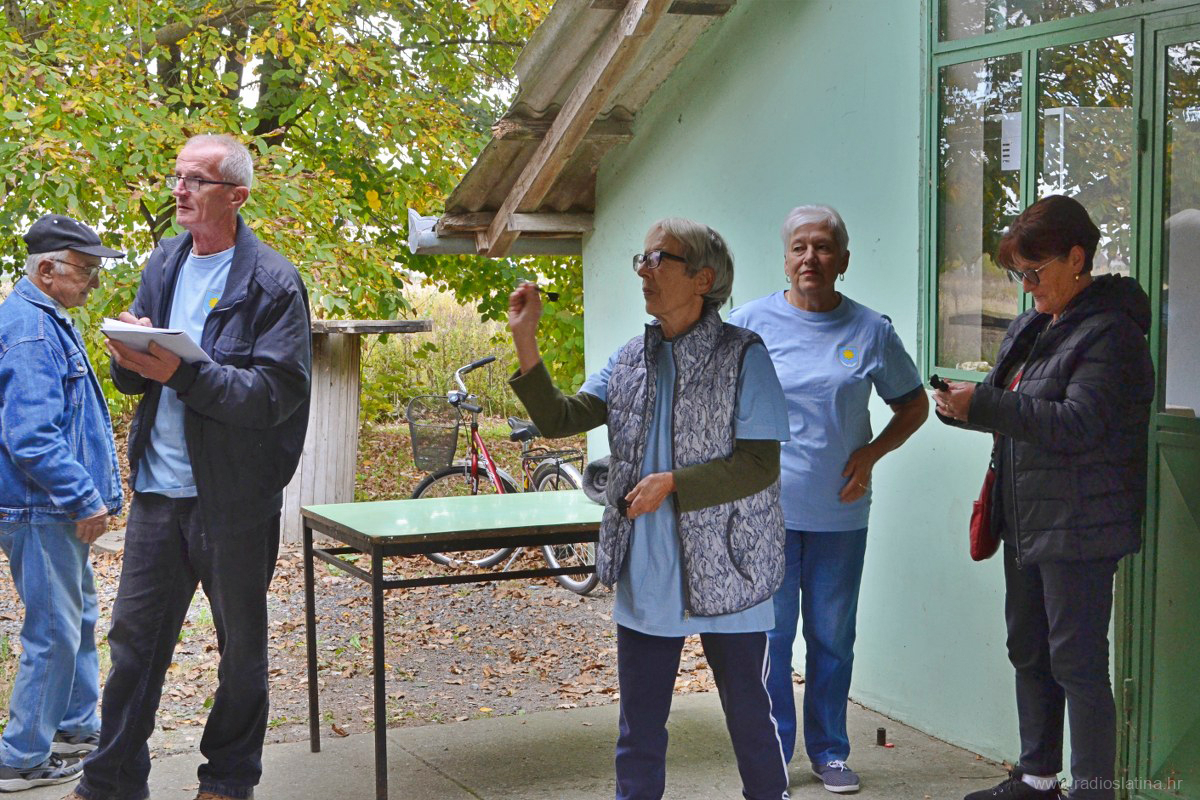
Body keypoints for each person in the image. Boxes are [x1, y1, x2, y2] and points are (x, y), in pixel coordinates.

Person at [507, 218, 791, 800]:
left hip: (729, 566)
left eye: (660, 258)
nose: (645, 269)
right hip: (648, 565)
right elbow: (561, 417)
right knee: (638, 727)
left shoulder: (744, 356)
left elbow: (760, 464)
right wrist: (525, 341)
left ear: (703, 278)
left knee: (748, 715)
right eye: (642, 257)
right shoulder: (630, 358)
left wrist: (673, 483)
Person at [68, 134, 311, 800]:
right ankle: (111, 782)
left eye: (197, 180)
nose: (180, 189)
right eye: (177, 176)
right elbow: (141, 382)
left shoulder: (273, 283)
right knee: (132, 646)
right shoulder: (166, 260)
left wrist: (183, 373)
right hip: (157, 491)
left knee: (241, 653)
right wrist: (127, 358)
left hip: (233, 500)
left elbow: (274, 395)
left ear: (236, 196)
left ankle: (227, 781)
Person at [934, 195, 1153, 800]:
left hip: (1081, 523)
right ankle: (1036, 779)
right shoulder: (1035, 326)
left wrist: (987, 404)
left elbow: (1078, 423)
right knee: (1028, 651)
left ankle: (1093, 790)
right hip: (1027, 518)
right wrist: (961, 407)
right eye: (1018, 274)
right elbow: (1011, 406)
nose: (1026, 286)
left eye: (1034, 272)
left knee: (1077, 665)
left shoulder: (1112, 332)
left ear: (1077, 259)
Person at [729, 205, 928, 794]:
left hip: (840, 514)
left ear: (843, 260)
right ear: (785, 258)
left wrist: (870, 455)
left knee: (832, 639)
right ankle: (771, 755)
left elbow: (913, 405)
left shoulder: (870, 330)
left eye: (822, 247)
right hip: (765, 514)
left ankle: (830, 752)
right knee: (770, 639)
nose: (809, 257)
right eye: (799, 247)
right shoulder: (748, 325)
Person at [0, 215, 125, 792]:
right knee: (53, 631)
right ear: (47, 269)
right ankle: (21, 758)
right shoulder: (31, 330)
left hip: (48, 507)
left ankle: (75, 729)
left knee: (76, 618)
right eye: (86, 270)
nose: (94, 282)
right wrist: (83, 497)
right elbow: (31, 436)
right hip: (42, 507)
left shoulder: (46, 317)